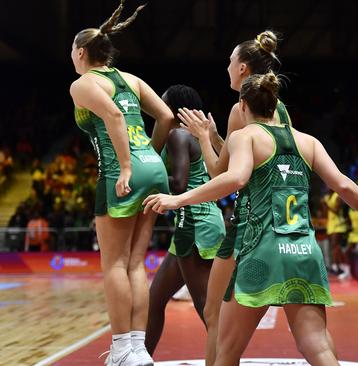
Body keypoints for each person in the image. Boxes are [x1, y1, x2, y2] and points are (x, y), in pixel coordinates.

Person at [143, 72, 358, 365]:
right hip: (304, 252)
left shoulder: (244, 137)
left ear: (242, 105)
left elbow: (235, 179)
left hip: (262, 254)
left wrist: (179, 198)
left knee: (226, 350)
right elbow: (342, 184)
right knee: (316, 345)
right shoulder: (308, 142)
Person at [173, 30, 296, 365]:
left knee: (215, 314)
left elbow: (220, 173)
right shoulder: (278, 107)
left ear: (242, 68)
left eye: (230, 62)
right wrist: (215, 135)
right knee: (305, 331)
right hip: (286, 222)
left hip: (248, 221)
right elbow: (251, 157)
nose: (227, 67)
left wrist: (201, 137)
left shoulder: (239, 108)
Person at [69, 1, 173, 365]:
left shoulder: (82, 84)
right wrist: (150, 157)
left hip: (120, 172)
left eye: (72, 51)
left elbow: (113, 114)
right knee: (134, 265)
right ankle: (137, 349)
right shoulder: (131, 79)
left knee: (114, 264)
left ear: (81, 52)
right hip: (153, 169)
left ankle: (120, 350)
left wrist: (127, 167)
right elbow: (166, 116)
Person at [144, 85, 226, 355]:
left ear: (175, 110)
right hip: (192, 222)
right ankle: (139, 359)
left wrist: (145, 181)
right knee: (153, 301)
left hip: (195, 223)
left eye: (163, 103)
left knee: (207, 311)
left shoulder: (178, 134)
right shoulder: (192, 135)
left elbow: (178, 185)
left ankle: (226, 360)